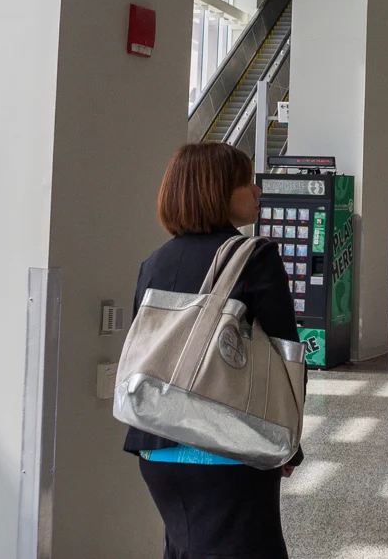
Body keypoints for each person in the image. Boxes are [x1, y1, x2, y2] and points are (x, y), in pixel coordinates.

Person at [123, 142, 301, 559]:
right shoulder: (255, 257)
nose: (258, 191)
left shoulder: (154, 262)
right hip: (230, 447)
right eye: (246, 182)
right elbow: (287, 356)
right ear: (216, 190)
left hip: (156, 445)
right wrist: (290, 442)